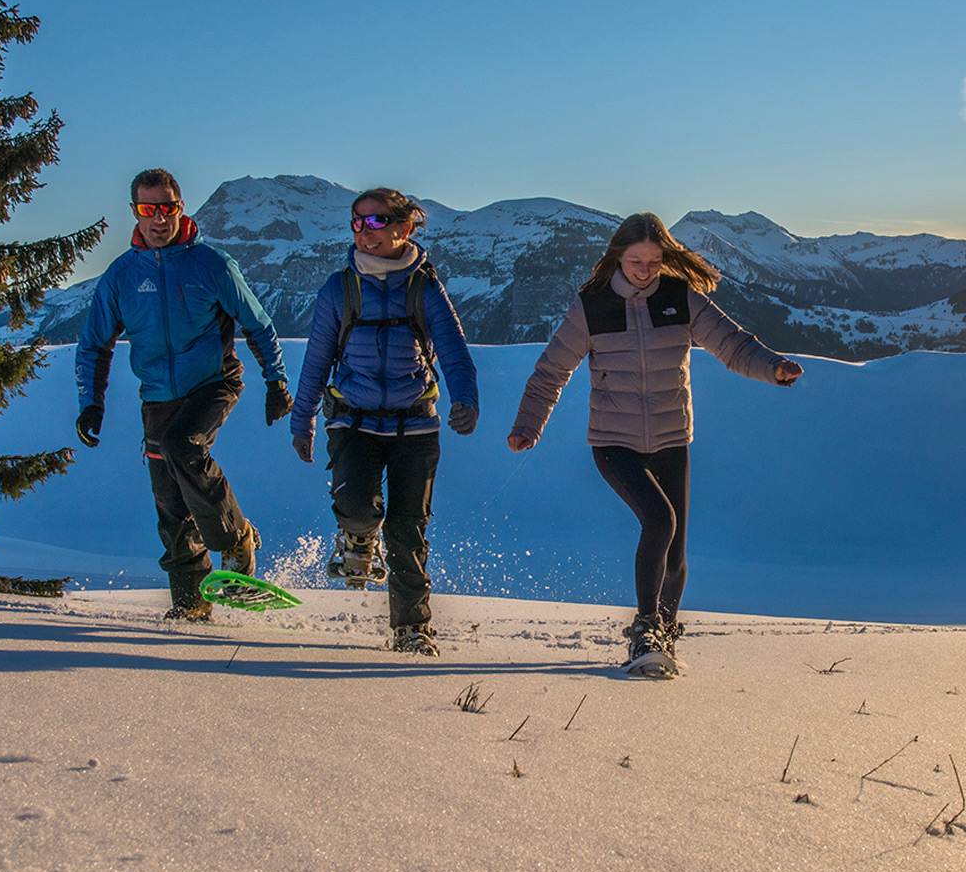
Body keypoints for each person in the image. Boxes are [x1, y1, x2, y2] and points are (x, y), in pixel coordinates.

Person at [508, 213, 802, 678]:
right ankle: (644, 631)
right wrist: (528, 424)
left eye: (654, 261)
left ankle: (664, 631)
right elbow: (552, 370)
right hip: (613, 442)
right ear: (617, 258)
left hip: (670, 439)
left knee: (677, 553)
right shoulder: (592, 306)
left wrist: (773, 367)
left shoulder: (681, 298)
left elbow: (732, 344)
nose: (645, 270)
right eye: (635, 261)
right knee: (659, 519)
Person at [75, 168, 291, 622]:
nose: (159, 219)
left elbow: (258, 324)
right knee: (171, 506)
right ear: (135, 212)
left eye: (167, 208)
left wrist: (276, 381)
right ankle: (191, 606)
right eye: (148, 209)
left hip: (214, 382)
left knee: (182, 446)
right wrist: (90, 403)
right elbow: (95, 343)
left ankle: (236, 540)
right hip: (157, 396)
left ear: (181, 207)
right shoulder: (121, 276)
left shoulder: (211, 264)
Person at [287, 187, 479, 657]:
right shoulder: (340, 288)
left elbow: (454, 351)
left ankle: (413, 629)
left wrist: (466, 400)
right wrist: (302, 421)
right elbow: (315, 362)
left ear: (403, 228)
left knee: (407, 529)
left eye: (374, 222)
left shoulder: (424, 286)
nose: (364, 232)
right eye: (357, 222)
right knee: (355, 503)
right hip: (352, 419)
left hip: (416, 424)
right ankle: (356, 537)